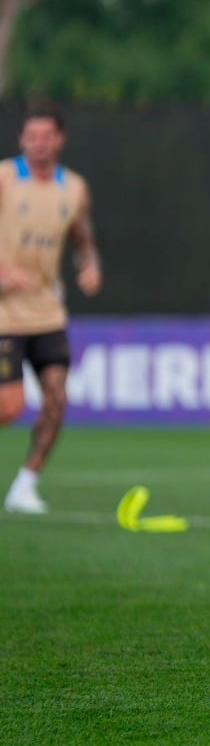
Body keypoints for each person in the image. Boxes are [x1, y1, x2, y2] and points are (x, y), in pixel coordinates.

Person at [1, 103, 101, 515]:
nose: (38, 144)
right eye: (31, 137)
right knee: (9, 407)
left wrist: (90, 262)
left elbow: (81, 233)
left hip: (47, 312)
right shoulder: (5, 178)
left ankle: (26, 485)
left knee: (57, 397)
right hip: (5, 314)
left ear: (60, 140)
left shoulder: (73, 188)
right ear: (22, 139)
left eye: (46, 136)